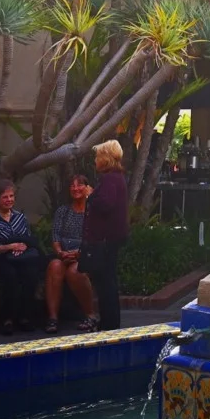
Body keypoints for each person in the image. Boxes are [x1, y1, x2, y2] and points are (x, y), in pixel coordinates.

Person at [0, 179, 42, 335]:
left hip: (22, 257)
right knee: (10, 276)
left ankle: (25, 317)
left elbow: (28, 238)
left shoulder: (20, 217)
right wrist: (10, 247)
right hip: (1, 258)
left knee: (31, 273)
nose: (9, 200)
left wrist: (22, 247)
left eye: (11, 196)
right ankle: (7, 319)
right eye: (5, 197)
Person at [83, 140, 129, 331]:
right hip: (112, 237)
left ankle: (108, 324)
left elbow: (106, 204)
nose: (95, 160)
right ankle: (109, 322)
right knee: (107, 281)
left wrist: (90, 195)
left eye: (97, 156)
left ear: (105, 158)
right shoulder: (117, 177)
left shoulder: (109, 179)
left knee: (105, 283)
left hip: (105, 239)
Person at [44, 174, 99, 334]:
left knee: (74, 271)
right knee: (54, 266)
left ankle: (90, 314)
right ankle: (53, 318)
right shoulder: (63, 211)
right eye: (72, 186)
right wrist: (60, 252)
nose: (75, 189)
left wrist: (79, 253)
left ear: (87, 188)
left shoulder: (92, 212)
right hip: (64, 253)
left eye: (79, 185)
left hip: (84, 254)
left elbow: (94, 238)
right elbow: (55, 236)